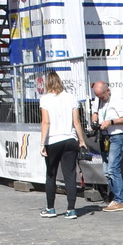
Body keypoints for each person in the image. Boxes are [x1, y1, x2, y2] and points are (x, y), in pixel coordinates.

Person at [37, 72, 86, 221]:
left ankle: (50, 208)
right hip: (70, 139)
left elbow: (46, 122)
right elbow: (77, 121)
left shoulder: (45, 99)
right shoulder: (71, 97)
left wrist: (42, 143)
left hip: (53, 140)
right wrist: (81, 140)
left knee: (51, 174)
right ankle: (71, 209)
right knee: (70, 175)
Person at [89, 81, 123, 212]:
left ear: (108, 90)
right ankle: (115, 197)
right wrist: (95, 120)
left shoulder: (118, 99)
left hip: (116, 135)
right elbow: (95, 112)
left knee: (113, 168)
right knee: (107, 171)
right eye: (98, 97)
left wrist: (111, 122)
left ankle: (120, 200)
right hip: (104, 136)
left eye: (102, 96)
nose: (100, 99)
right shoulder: (98, 99)